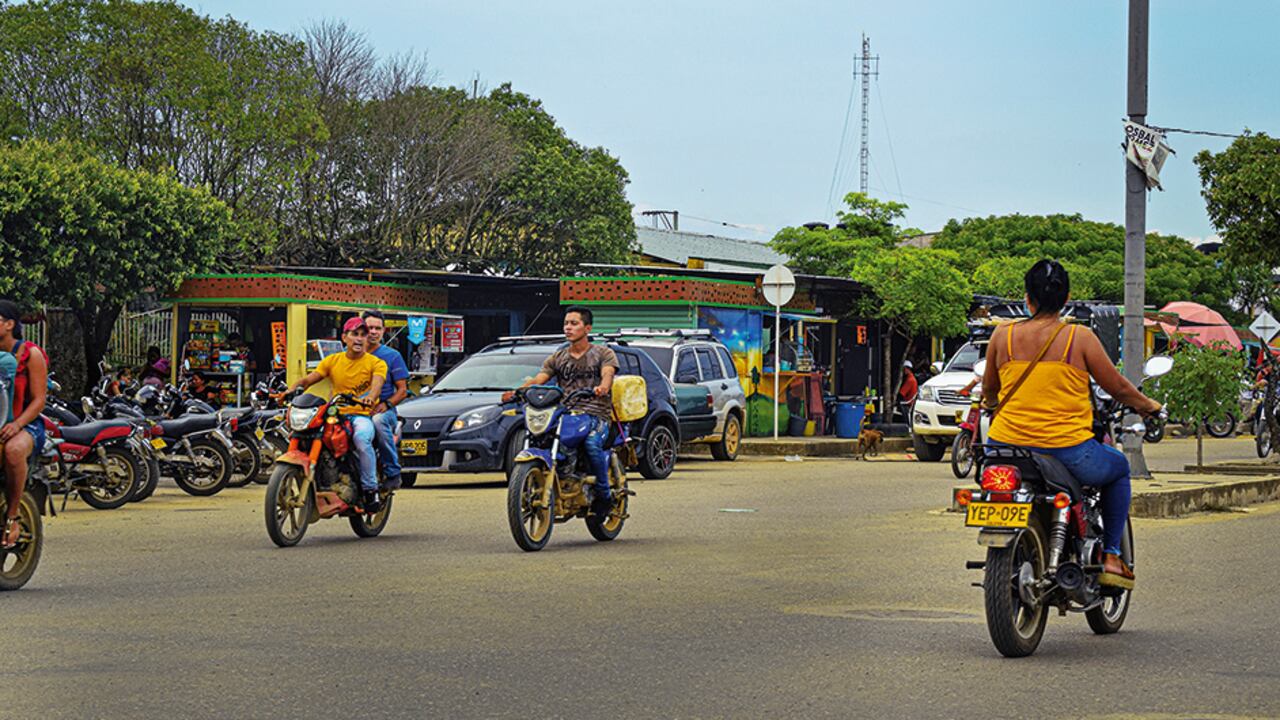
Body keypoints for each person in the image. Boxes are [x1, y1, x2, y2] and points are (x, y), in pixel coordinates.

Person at [981, 259, 1161, 589]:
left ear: (1026, 298)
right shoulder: (1079, 337)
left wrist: (995, 407)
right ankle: (1110, 554)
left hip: (1005, 448)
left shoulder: (1001, 337)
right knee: (1119, 467)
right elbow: (1117, 388)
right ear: (1066, 299)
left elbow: (990, 392)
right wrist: (1149, 406)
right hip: (1067, 452)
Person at [502, 306, 618, 516]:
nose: (568, 328)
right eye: (566, 323)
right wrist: (517, 391)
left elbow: (608, 373)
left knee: (592, 444)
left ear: (587, 328)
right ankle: (562, 476)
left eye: (574, 323)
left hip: (595, 413)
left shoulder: (603, 353)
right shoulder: (558, 357)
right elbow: (540, 378)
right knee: (543, 437)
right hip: (566, 412)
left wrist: (603, 386)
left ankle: (604, 494)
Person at [287, 316, 387, 511]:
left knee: (361, 439)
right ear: (344, 338)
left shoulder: (376, 363)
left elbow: (377, 384)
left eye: (363, 335)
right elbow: (310, 379)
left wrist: (370, 397)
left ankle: (370, 489)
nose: (359, 339)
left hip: (360, 415)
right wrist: (293, 388)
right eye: (354, 334)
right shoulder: (332, 361)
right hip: (335, 413)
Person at [0, 300, 48, 549]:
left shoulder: (31, 353)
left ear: (9, 325)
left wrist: (17, 425)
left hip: (26, 425)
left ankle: (13, 516)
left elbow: (39, 400)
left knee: (13, 450)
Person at [361, 310, 410, 490]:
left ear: (383, 331)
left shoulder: (392, 356)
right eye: (369, 328)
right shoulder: (349, 354)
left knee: (379, 422)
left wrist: (386, 404)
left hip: (383, 411)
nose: (373, 332)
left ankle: (392, 471)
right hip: (354, 410)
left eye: (377, 328)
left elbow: (402, 390)